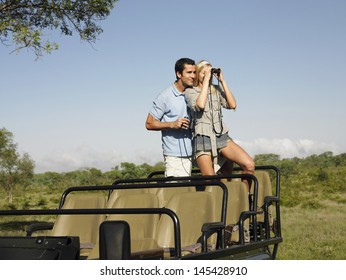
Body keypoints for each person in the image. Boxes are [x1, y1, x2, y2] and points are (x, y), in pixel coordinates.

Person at [184, 60, 255, 189]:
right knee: (211, 181)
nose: (208, 75)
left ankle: (246, 199)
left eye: (209, 72)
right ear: (198, 74)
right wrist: (206, 81)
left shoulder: (215, 90)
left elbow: (232, 105)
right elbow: (199, 105)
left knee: (249, 165)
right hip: (203, 137)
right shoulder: (190, 91)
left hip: (220, 135)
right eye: (204, 72)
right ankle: (221, 205)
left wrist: (222, 81)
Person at [145, 58, 196, 177]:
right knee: (176, 192)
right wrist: (172, 124)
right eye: (189, 72)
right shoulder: (165, 96)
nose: (193, 76)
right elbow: (149, 123)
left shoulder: (194, 93)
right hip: (175, 156)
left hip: (194, 153)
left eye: (194, 72)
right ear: (178, 74)